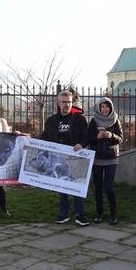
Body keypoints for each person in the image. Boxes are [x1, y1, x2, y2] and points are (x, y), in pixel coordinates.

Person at [41, 89, 90, 226]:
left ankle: (80, 215)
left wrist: (81, 144)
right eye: (63, 102)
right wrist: (28, 143)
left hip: (75, 159)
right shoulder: (51, 121)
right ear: (58, 103)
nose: (66, 105)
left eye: (69, 102)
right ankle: (64, 214)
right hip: (58, 159)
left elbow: (86, 136)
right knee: (62, 186)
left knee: (77, 186)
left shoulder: (79, 119)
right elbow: (44, 138)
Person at [88, 97, 123, 226]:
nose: (104, 109)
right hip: (97, 159)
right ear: (99, 108)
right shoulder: (93, 121)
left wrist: (110, 135)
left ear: (111, 107)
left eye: (107, 106)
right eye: (102, 106)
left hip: (111, 159)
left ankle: (114, 214)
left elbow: (120, 139)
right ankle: (99, 213)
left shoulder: (115, 120)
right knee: (98, 187)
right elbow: (89, 138)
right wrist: (97, 137)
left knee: (108, 187)